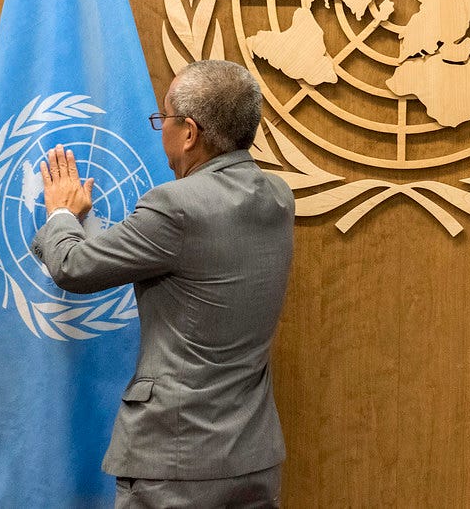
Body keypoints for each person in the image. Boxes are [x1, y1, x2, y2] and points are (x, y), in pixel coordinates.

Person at [31, 60, 295, 508]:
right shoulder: (277, 196)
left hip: (174, 466)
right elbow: (174, 260)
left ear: (189, 132)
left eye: (164, 120)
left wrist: (60, 212)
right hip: (252, 456)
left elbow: (73, 267)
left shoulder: (175, 205)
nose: (161, 132)